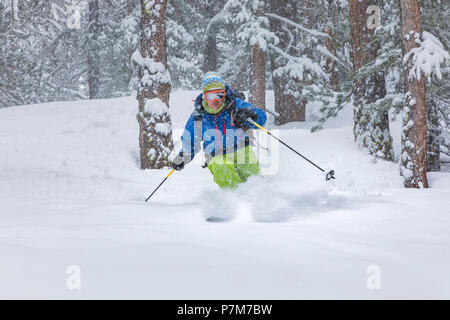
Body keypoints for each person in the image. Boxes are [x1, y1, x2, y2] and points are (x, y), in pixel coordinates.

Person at [171, 73, 267, 190]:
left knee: (255, 185)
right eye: (210, 96)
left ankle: (258, 201)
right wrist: (183, 157)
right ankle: (234, 198)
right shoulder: (199, 116)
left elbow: (261, 116)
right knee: (221, 167)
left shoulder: (235, 105)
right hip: (216, 155)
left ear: (224, 94)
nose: (215, 100)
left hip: (242, 150)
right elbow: (190, 140)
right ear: (204, 97)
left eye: (219, 95)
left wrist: (252, 115)